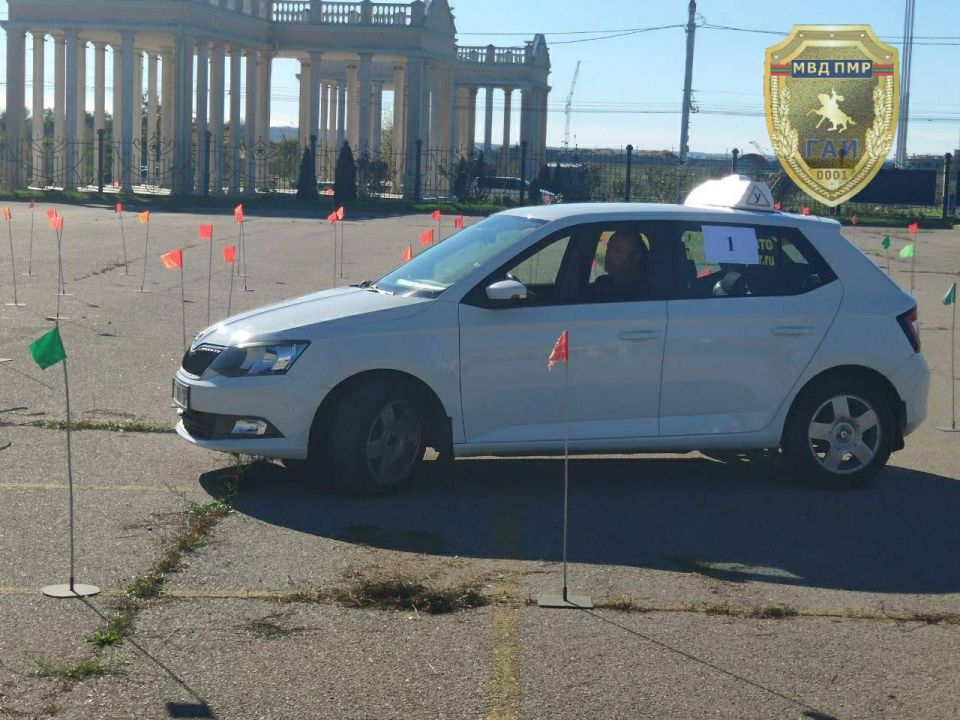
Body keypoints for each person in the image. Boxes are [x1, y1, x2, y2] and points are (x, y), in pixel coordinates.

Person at [589, 230, 648, 301]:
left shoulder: (646, 294)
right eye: (608, 249)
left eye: (618, 251)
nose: (609, 254)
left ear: (635, 258)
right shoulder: (601, 284)